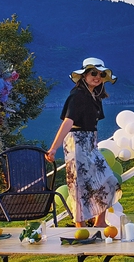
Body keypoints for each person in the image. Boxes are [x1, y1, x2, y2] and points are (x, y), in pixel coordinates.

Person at [45, 58, 119, 228]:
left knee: (107, 181)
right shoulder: (77, 95)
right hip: (76, 142)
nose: (97, 77)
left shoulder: (95, 96)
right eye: (93, 73)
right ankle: (80, 225)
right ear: (84, 75)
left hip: (90, 142)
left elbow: (92, 124)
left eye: (101, 74)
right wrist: (54, 148)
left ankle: (99, 223)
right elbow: (68, 122)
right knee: (79, 184)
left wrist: (93, 142)